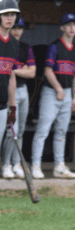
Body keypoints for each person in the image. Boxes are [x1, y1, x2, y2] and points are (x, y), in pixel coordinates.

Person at [31, 13, 75, 179]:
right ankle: (35, 165)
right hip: (51, 92)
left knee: (62, 131)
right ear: (62, 27)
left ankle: (59, 167)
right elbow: (47, 70)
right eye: (68, 24)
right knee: (43, 130)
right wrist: (59, 88)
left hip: (67, 93)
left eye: (74, 24)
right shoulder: (54, 46)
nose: (71, 28)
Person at [2, 17, 36, 179]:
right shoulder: (5, 44)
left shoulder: (25, 47)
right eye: (14, 27)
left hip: (22, 89)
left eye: (20, 28)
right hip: (7, 90)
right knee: (11, 130)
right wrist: (17, 69)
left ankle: (16, 163)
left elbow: (32, 72)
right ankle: (6, 164)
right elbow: (9, 71)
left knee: (19, 131)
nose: (16, 30)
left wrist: (15, 71)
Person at [0, 0, 19, 172]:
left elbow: (12, 76)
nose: (9, 18)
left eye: (12, 14)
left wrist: (12, 106)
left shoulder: (14, 43)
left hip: (2, 104)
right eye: (6, 14)